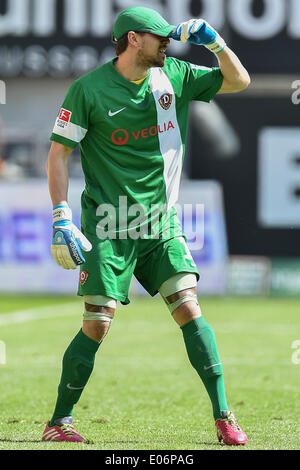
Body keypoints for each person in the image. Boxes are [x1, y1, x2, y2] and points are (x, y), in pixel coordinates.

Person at [43, 6, 250, 445]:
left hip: (161, 224)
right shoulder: (88, 89)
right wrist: (61, 214)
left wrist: (217, 46)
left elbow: (238, 81)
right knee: (97, 323)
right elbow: (58, 154)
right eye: (158, 36)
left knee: (190, 308)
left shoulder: (174, 73)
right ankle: (59, 422)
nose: (167, 42)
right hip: (107, 225)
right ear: (133, 39)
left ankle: (224, 417)